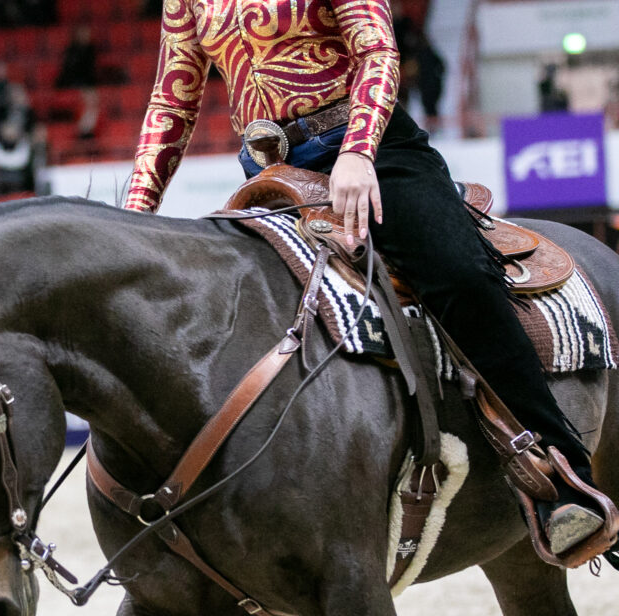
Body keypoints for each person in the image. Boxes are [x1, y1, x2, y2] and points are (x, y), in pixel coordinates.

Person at [125, 0, 616, 560]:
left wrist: (358, 153)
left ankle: (561, 473)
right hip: (270, 174)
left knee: (457, 274)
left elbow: (376, 50)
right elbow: (171, 102)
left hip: (372, 149)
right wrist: (134, 219)